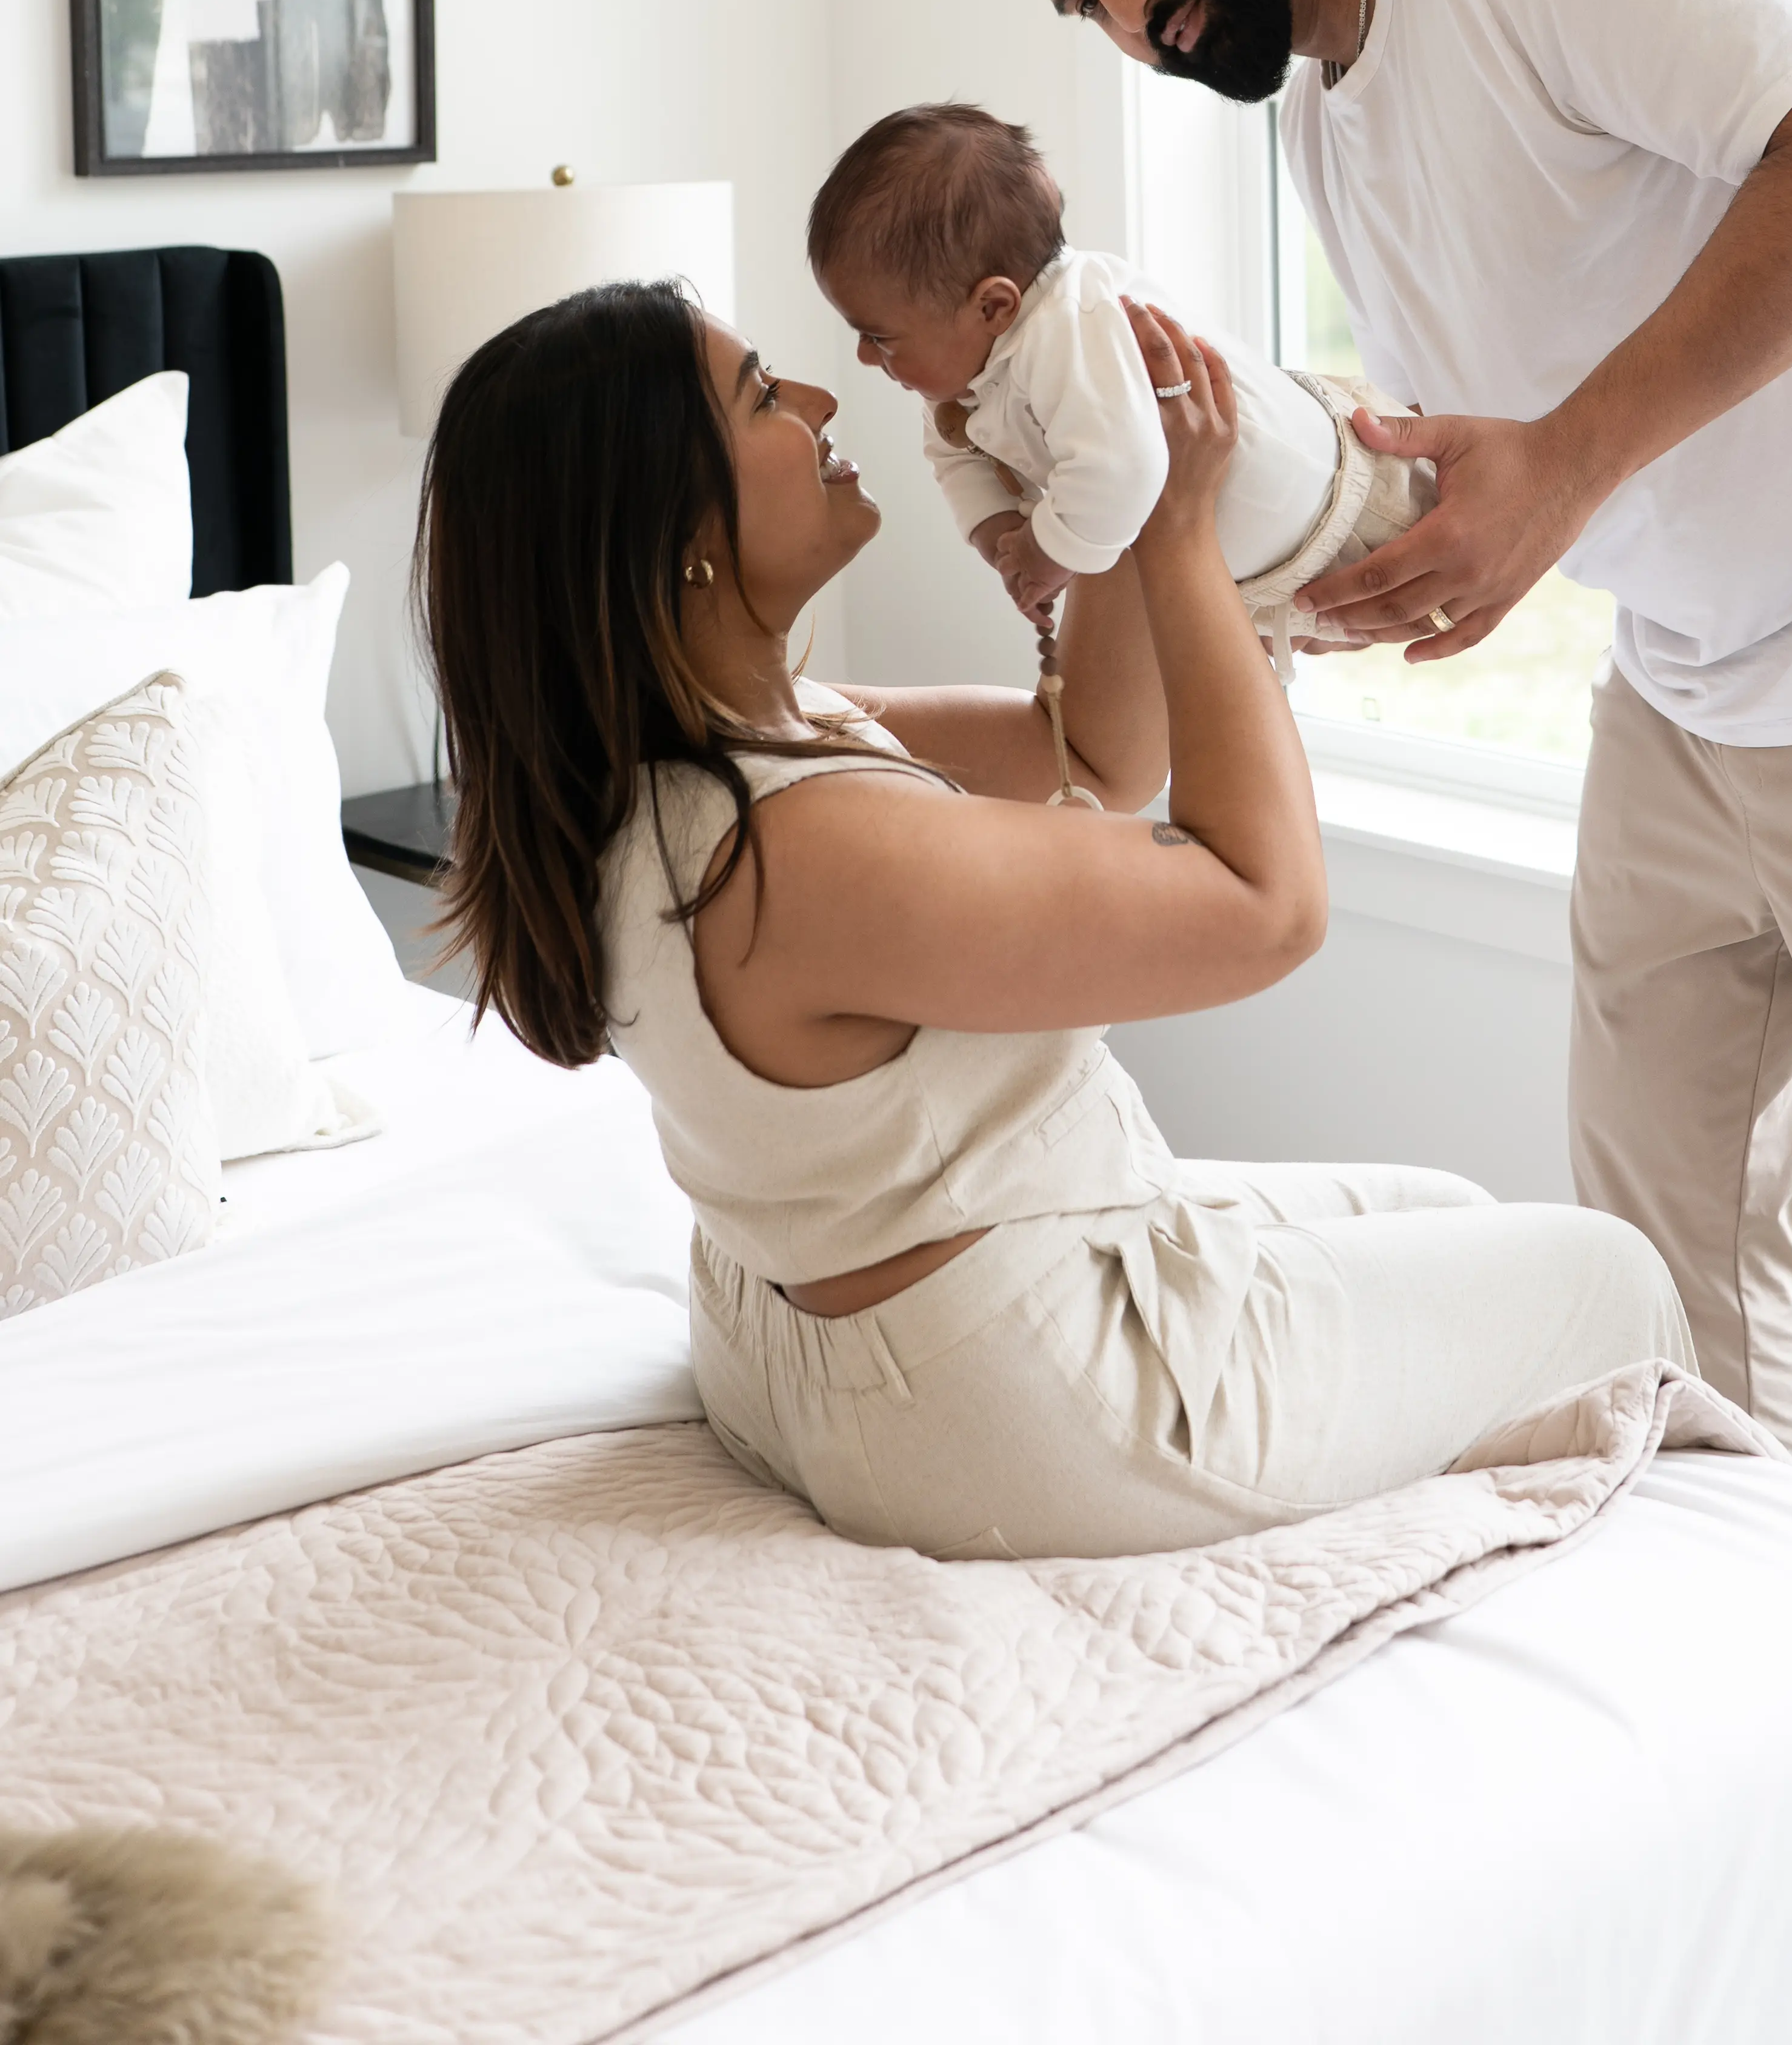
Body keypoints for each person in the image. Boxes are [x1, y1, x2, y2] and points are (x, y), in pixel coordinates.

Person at [954, 0, 1792, 2007]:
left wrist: (1563, 473)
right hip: (1691, 701)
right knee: (1661, 1329)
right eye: (1083, 9)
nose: (1131, 14)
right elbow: (1480, 461)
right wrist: (1231, 541)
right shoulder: (1322, 114)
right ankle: (1780, 1866)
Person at [413, 276, 1690, 1563]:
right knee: (1615, 1280)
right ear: (678, 532)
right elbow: (1265, 906)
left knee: (1448, 1204)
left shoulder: (688, 760)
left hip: (819, 1354)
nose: (815, 397)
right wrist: (1192, 541)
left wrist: (1119, 486)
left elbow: (1084, 746)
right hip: (1010, 1412)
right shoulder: (792, 848)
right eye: (758, 397)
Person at [808, 98, 1433, 669]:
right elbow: (953, 458)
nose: (864, 356)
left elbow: (1121, 470)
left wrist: (1045, 553)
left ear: (993, 306)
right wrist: (998, 533)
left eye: (881, 337)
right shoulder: (964, 377)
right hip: (1266, 568)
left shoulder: (1069, 327)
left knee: (1442, 569)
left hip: (1346, 499)